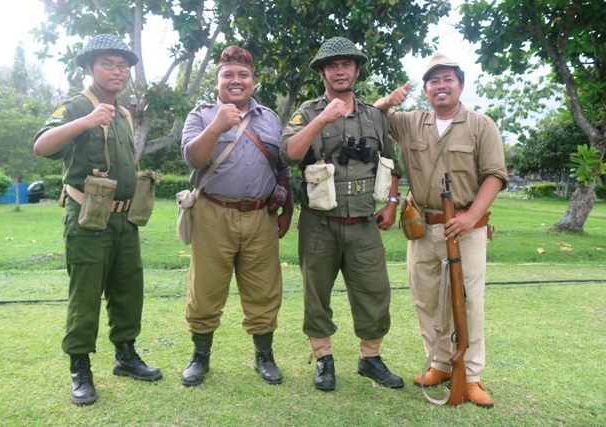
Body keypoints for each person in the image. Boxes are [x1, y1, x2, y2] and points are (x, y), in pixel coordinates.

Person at [374, 51, 508, 408]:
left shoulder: (482, 125)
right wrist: (389, 100)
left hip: (465, 228)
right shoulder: (410, 122)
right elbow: (372, 117)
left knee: (468, 302)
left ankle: (472, 375)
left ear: (460, 86)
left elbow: (495, 175)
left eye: (448, 79)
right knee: (426, 298)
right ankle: (439, 364)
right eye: (433, 81)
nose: (441, 86)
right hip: (421, 227)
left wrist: (469, 216)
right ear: (426, 89)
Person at [34, 34, 162, 406]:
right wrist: (87, 120)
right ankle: (80, 369)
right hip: (88, 218)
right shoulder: (77, 106)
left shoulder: (123, 112)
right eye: (108, 63)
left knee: (128, 289)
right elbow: (42, 146)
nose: (118, 71)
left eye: (123, 65)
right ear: (90, 66)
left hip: (125, 220)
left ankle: (125, 355)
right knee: (86, 294)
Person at [279, 37, 403, 391]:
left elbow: (392, 164)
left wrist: (393, 203)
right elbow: (288, 153)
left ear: (356, 70)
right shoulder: (307, 110)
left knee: (375, 292)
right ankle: (324, 360)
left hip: (365, 223)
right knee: (316, 294)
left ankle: (370, 358)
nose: (339, 70)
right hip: (319, 223)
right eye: (332, 65)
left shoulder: (376, 117)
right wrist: (321, 119)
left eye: (346, 64)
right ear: (322, 72)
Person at [180, 46, 294, 387]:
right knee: (206, 289)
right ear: (217, 80)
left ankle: (264, 356)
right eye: (228, 74)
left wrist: (286, 205)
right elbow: (193, 159)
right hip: (213, 213)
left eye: (243, 75)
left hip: (260, 215)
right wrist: (217, 125)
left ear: (253, 81)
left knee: (264, 289)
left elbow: (282, 166)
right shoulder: (200, 115)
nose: (236, 80)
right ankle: (200, 357)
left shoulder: (270, 117)